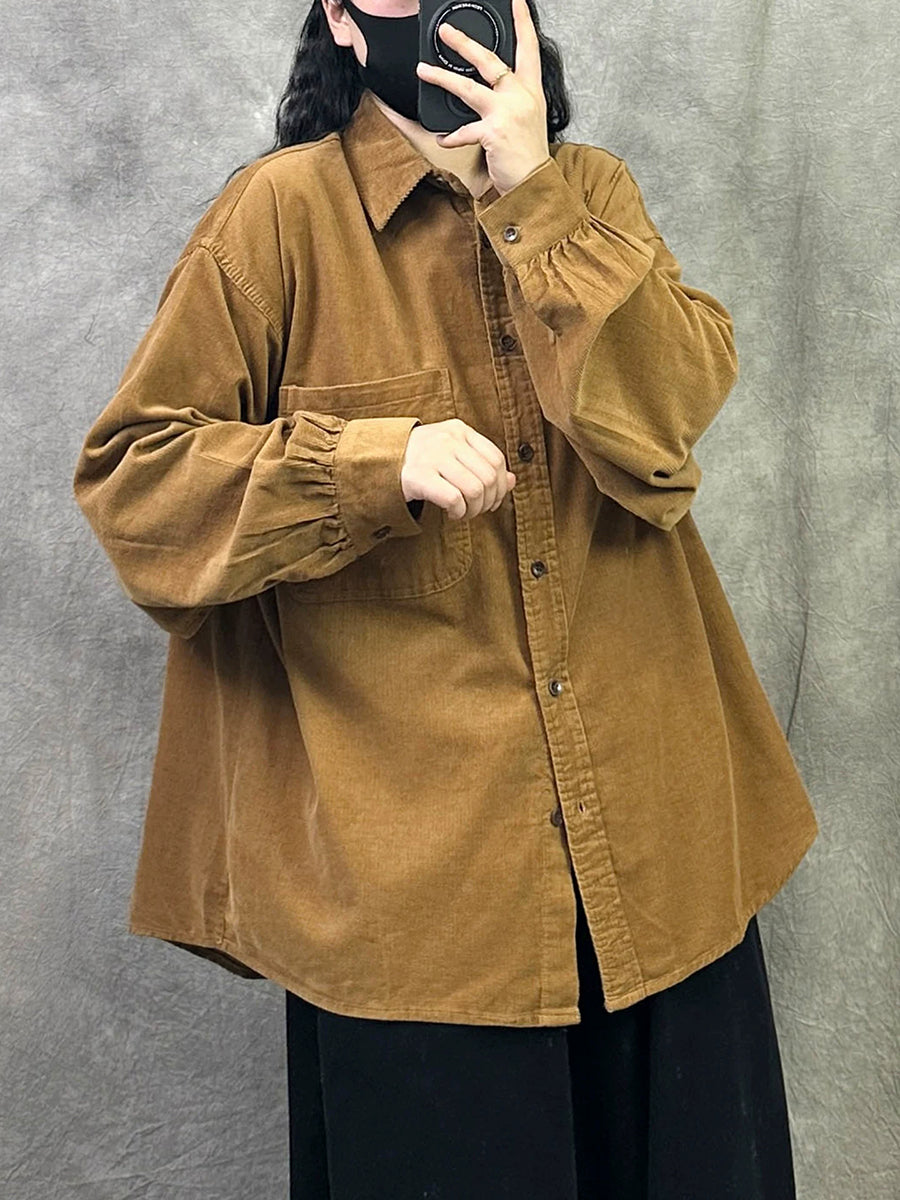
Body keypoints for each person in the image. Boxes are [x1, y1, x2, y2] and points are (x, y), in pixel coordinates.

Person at [72, 1, 820, 1196]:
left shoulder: (592, 193)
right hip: (424, 899)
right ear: (340, 19)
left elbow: (668, 423)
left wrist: (536, 198)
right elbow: (136, 485)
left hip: (657, 857)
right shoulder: (281, 217)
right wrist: (372, 464)